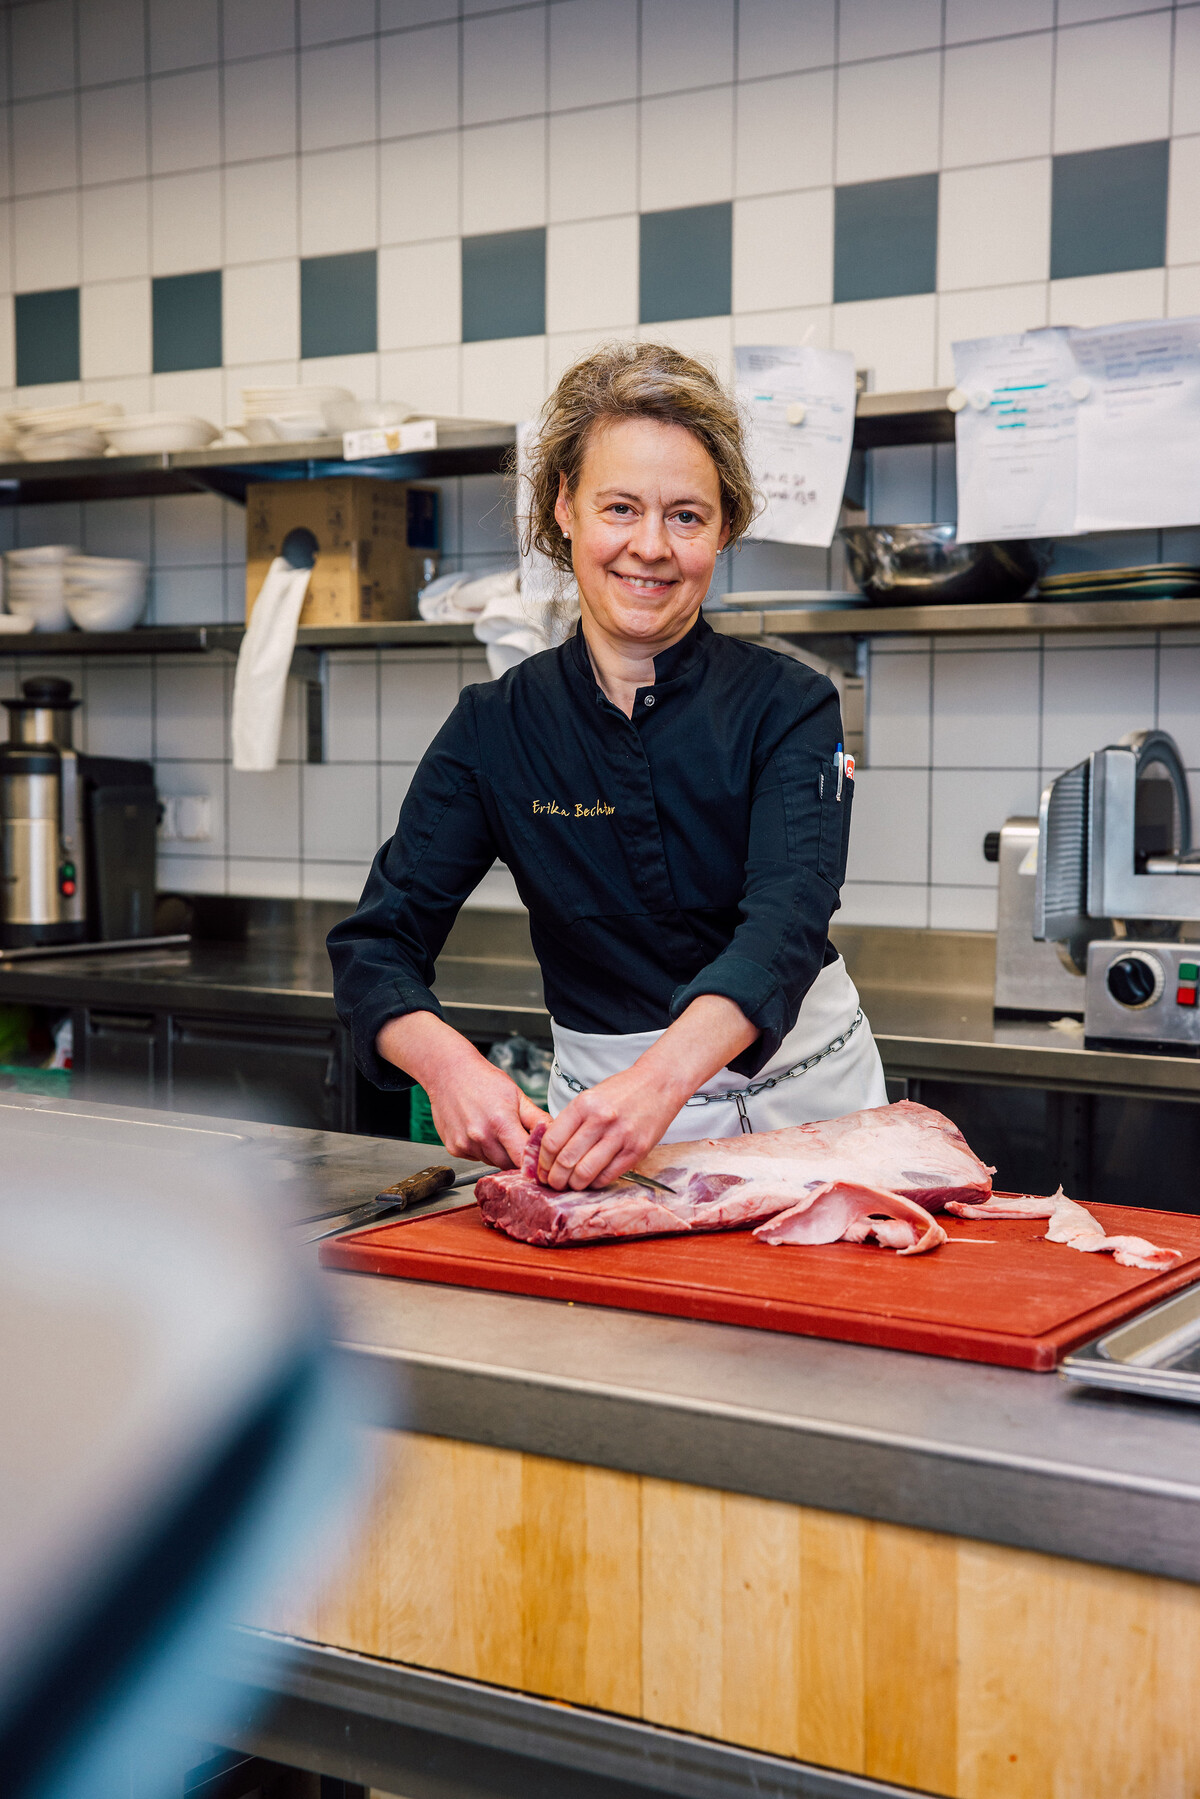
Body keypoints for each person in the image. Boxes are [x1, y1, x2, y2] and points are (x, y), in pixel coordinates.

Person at [328, 342, 886, 1195]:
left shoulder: (792, 705)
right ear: (565, 509)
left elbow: (785, 925)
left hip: (810, 1116)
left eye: (687, 516)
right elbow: (376, 943)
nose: (650, 547)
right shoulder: (495, 727)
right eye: (620, 507)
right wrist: (447, 1066)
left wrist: (662, 1085)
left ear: (725, 526)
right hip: (593, 1137)